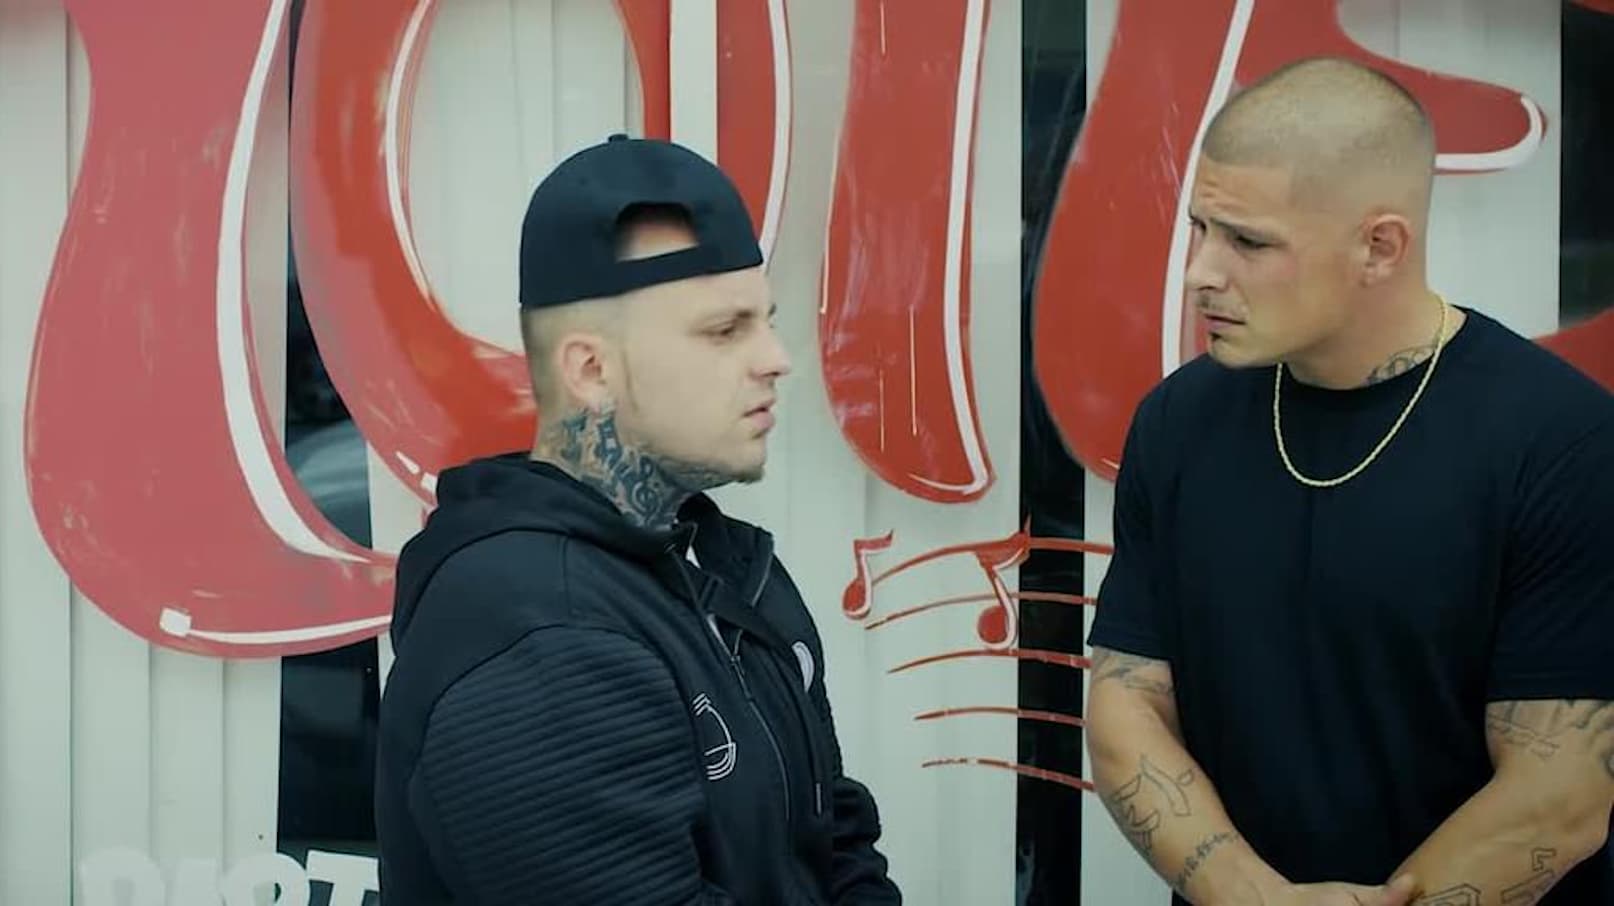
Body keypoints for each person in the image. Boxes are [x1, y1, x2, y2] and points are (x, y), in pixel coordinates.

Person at [1085, 56, 1614, 906]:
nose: (1200, 272)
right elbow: (1127, 707)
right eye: (1201, 228)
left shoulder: (1561, 441)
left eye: (1248, 241)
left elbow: (1561, 794)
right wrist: (1252, 897)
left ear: (1380, 246)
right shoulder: (1178, 422)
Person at [375, 133, 902, 905]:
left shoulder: (726, 567)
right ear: (592, 370)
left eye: (764, 321)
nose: (775, 358)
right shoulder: (539, 638)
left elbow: (835, 840)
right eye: (724, 331)